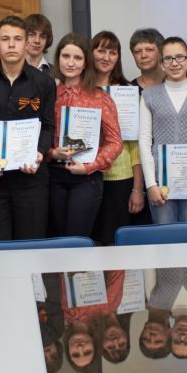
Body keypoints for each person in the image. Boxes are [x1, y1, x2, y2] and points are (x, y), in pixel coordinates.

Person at [0, 16, 56, 241]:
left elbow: (48, 127)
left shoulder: (44, 83)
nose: (11, 44)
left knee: (31, 246)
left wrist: (39, 153)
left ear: (26, 44)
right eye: (5, 39)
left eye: (17, 39)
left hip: (31, 178)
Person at [47, 33, 122, 237]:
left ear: (86, 62)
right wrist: (52, 153)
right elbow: (39, 136)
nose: (70, 63)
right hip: (53, 176)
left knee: (77, 240)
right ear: (58, 58)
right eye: (66, 56)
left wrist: (90, 166)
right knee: (55, 240)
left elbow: (115, 142)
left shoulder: (100, 98)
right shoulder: (48, 95)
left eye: (77, 58)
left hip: (86, 178)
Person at [139, 37, 187, 224]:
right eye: (168, 58)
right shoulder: (148, 96)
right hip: (160, 184)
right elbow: (144, 141)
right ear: (161, 63)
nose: (175, 63)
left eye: (180, 57)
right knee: (165, 238)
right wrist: (151, 185)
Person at [89, 31, 145, 246]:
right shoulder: (81, 89)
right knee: (91, 243)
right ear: (91, 53)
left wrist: (137, 189)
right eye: (101, 51)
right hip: (87, 177)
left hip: (120, 179)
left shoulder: (128, 91)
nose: (106, 57)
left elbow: (135, 146)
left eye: (112, 53)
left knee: (116, 245)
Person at [146, 267, 187, 359]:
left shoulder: (155, 300)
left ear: (170, 334)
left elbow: (149, 264)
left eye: (176, 341)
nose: (182, 336)